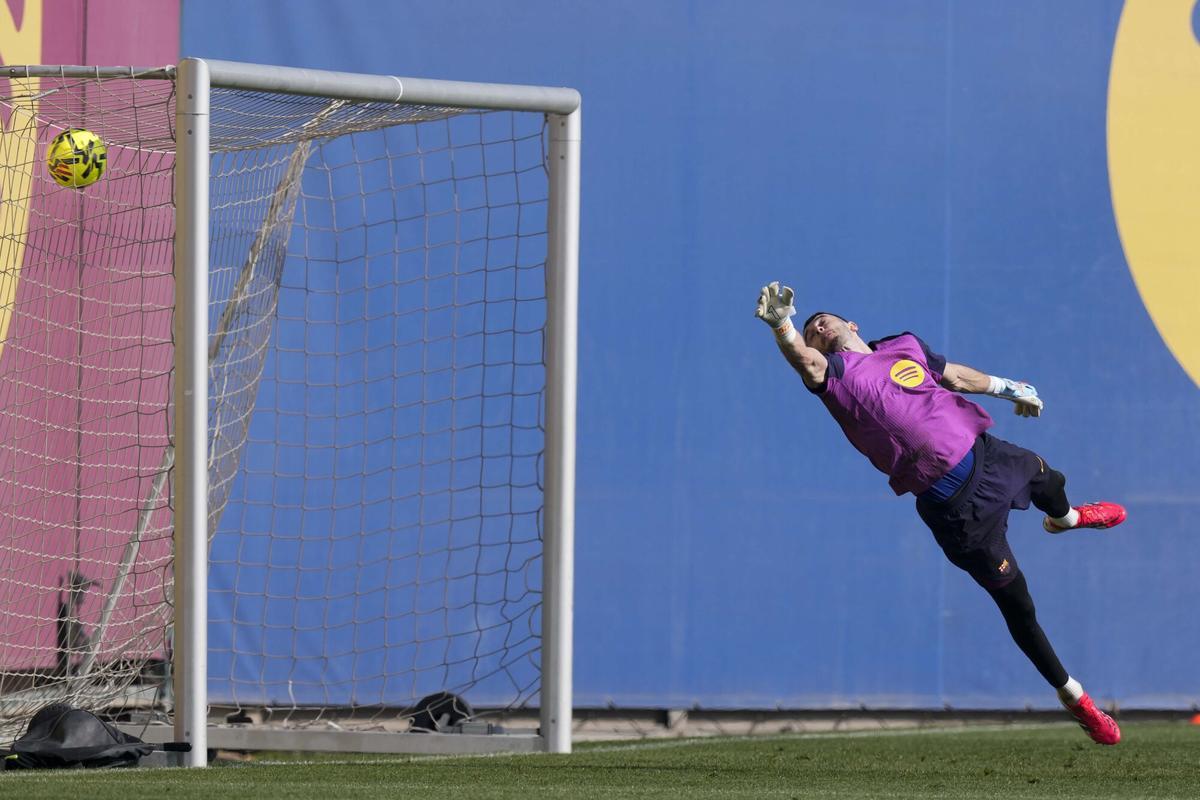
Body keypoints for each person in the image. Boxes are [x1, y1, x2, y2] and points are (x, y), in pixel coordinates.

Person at [754, 281, 1125, 745]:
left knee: (1050, 479)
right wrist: (783, 326)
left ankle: (1067, 519)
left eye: (821, 319)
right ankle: (1077, 699)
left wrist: (1013, 389)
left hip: (986, 455)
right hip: (957, 509)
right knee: (1020, 607)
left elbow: (956, 378)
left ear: (852, 325)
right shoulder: (833, 376)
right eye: (811, 329)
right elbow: (803, 361)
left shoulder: (902, 346)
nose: (817, 327)